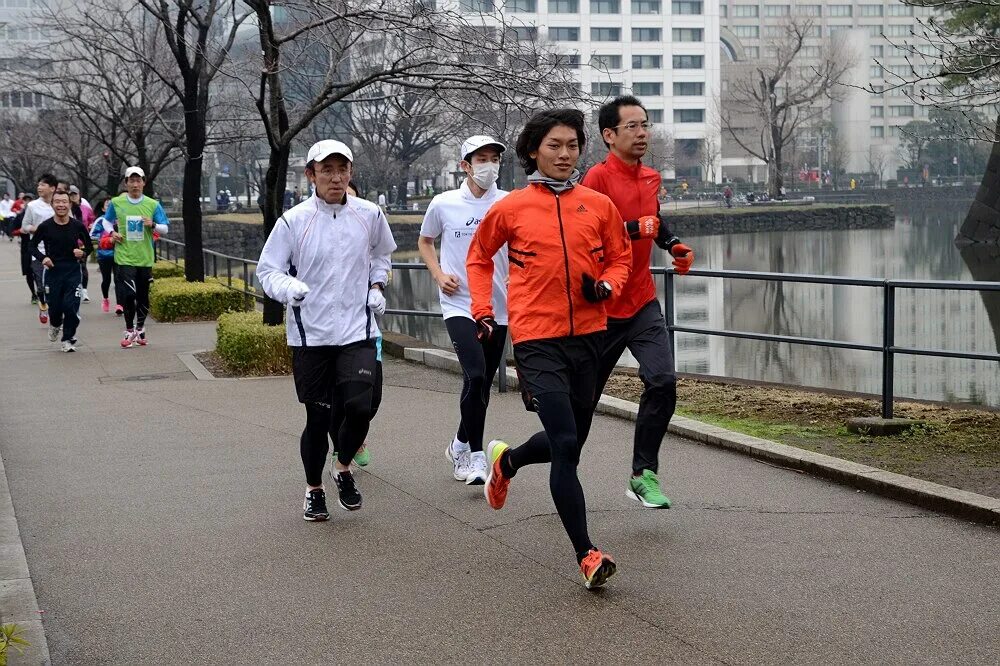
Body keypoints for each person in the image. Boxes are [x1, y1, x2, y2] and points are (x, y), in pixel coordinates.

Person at [467, 109, 632, 589]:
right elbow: (478, 258)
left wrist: (607, 286)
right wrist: (483, 310)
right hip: (537, 340)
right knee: (565, 445)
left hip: (590, 338)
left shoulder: (597, 205)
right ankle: (587, 554)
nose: (565, 154)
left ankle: (507, 462)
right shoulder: (511, 208)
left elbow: (620, 257)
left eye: (573, 146)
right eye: (555, 145)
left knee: (571, 441)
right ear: (534, 150)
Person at [257, 140, 396, 522]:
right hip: (310, 335)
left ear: (351, 173)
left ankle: (343, 466)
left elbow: (382, 254)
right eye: (327, 170)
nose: (336, 178)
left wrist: (376, 286)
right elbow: (267, 270)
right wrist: (289, 288)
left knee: (360, 406)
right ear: (311, 175)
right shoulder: (294, 221)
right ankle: (314, 489)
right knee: (318, 419)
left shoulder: (369, 214)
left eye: (342, 170)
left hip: (357, 328)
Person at [579, 96, 695, 509]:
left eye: (645, 124)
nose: (642, 132)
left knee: (662, 382)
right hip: (601, 309)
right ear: (609, 135)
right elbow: (583, 240)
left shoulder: (650, 177)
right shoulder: (595, 180)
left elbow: (655, 220)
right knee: (577, 414)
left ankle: (643, 473)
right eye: (632, 126)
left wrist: (673, 244)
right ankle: (514, 461)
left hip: (642, 301)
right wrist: (631, 228)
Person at [418, 135, 510, 485]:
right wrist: (439, 274)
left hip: (499, 306)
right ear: (465, 166)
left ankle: (457, 443)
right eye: (481, 159)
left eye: (494, 159)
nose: (489, 166)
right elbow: (425, 241)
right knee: (473, 374)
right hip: (459, 303)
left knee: (482, 383)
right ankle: (472, 457)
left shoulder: (508, 202)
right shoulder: (444, 203)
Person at [103, 167, 169, 348]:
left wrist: (153, 224)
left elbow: (165, 227)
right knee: (129, 294)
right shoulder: (117, 203)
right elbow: (106, 220)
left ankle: (140, 329)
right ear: (126, 183)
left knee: (142, 296)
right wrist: (112, 233)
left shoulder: (152, 204)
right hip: (124, 256)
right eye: (131, 181)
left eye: (138, 180)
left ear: (143, 182)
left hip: (145, 257)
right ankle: (129, 330)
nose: (135, 184)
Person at [30, 191, 93, 352]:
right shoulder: (45, 226)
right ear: (52, 205)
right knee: (56, 308)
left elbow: (90, 246)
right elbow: (32, 246)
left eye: (64, 202)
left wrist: (83, 253)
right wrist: (43, 258)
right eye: (57, 202)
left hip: (72, 271)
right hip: (53, 272)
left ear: (69, 204)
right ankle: (55, 324)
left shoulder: (77, 225)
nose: (61, 205)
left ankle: (68, 339)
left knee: (71, 306)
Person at [20, 174, 59, 324]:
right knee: (42, 285)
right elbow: (24, 226)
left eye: (43, 185)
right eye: (38, 185)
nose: (39, 187)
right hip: (38, 251)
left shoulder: (60, 203)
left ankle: (57, 313)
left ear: (52, 188)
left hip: (58, 251)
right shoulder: (32, 206)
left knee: (57, 285)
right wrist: (35, 229)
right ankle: (43, 304)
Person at [89, 198, 121, 314]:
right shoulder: (101, 220)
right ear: (103, 208)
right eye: (108, 205)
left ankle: (119, 304)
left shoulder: (120, 220)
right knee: (106, 279)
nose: (111, 207)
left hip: (119, 254)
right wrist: (105, 239)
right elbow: (92, 235)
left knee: (119, 279)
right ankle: (106, 298)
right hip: (104, 255)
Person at [69, 186, 95, 302]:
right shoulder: (65, 208)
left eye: (75, 194)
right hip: (69, 242)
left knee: (82, 265)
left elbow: (92, 220)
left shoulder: (86, 208)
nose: (73, 197)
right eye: (70, 195)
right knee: (71, 267)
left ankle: (84, 290)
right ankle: (73, 289)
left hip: (82, 241)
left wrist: (90, 226)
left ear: (79, 195)